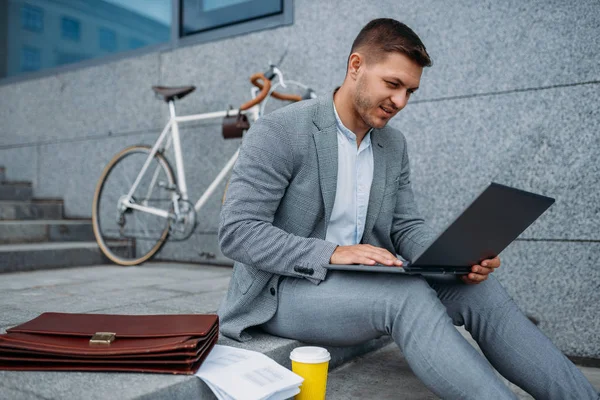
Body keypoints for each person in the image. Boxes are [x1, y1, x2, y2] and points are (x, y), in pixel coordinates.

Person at [217, 18, 598, 399]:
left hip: (359, 283)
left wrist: (454, 259)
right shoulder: (281, 131)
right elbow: (238, 231)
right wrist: (332, 252)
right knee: (405, 297)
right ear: (356, 66)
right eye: (393, 84)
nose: (400, 102)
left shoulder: (392, 145)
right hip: (282, 291)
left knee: (479, 291)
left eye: (410, 91)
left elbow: (405, 226)